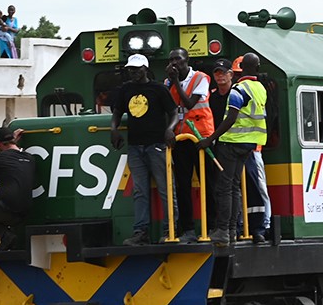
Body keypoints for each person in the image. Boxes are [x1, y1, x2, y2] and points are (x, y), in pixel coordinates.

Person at [110, 53, 179, 245]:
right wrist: (113, 129)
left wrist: (169, 129)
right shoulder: (125, 90)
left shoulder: (158, 89)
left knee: (166, 189)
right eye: (131, 69)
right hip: (135, 146)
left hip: (157, 145)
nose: (133, 72)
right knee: (140, 190)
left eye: (137, 69)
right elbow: (117, 112)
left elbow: (174, 112)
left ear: (146, 69)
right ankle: (141, 232)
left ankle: (170, 230)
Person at [199, 53, 267, 246]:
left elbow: (231, 118)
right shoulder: (260, 88)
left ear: (241, 68)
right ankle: (230, 230)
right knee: (234, 187)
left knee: (224, 188)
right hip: (250, 144)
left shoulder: (238, 89)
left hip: (231, 142)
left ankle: (223, 230)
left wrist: (211, 138)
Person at [164, 48, 213, 244]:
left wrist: (175, 82)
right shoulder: (167, 82)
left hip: (201, 138)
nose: (175, 62)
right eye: (171, 59)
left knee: (208, 183)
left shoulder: (200, 78)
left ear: (187, 60)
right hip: (181, 139)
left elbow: (189, 103)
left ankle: (212, 225)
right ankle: (188, 229)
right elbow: (168, 107)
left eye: (178, 59)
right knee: (182, 185)